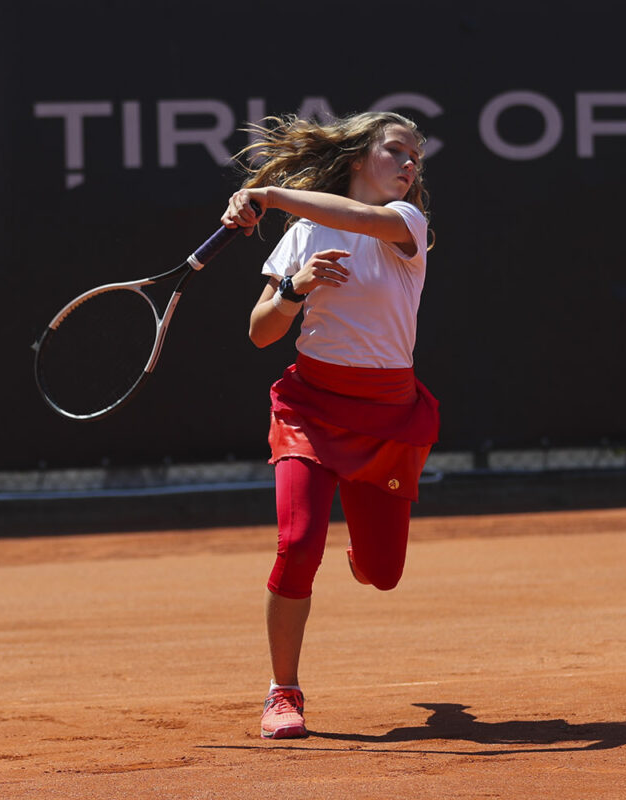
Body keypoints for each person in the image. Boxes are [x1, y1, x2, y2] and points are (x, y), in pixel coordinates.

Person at [220, 111, 440, 740]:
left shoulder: (407, 225)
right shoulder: (305, 234)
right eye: (396, 151)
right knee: (297, 546)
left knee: (384, 573)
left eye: (415, 159)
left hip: (387, 418)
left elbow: (356, 220)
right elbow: (262, 333)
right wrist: (293, 287)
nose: (408, 166)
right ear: (356, 159)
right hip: (309, 410)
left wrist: (265, 193)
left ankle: (364, 550)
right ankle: (282, 692)